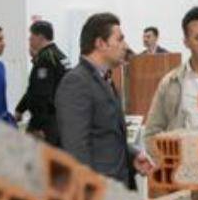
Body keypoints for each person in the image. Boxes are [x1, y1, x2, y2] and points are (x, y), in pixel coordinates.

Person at [56, 12, 154, 188]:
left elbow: (106, 136)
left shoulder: (104, 79)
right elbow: (76, 150)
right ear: (100, 43)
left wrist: (131, 157)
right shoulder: (77, 82)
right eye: (119, 39)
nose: (125, 46)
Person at [144, 6, 198, 156]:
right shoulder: (171, 83)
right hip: (186, 166)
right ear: (186, 42)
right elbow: (151, 133)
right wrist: (168, 163)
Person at [14, 20, 70, 144]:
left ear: (40, 37)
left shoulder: (45, 59)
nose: (29, 40)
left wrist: (37, 126)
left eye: (31, 36)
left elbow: (40, 94)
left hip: (47, 123)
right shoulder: (61, 56)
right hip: (62, 120)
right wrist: (20, 109)